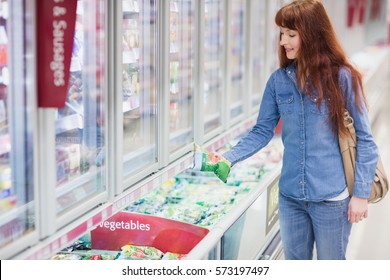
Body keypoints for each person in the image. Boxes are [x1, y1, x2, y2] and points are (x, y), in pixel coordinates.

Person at [220, 0, 378, 260]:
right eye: (282, 34)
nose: (283, 41)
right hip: (291, 197)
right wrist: (228, 158)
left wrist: (360, 194)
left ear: (313, 34)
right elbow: (262, 131)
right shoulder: (278, 81)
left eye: (291, 35)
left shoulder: (343, 77)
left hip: (331, 198)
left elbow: (366, 139)